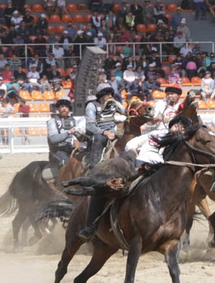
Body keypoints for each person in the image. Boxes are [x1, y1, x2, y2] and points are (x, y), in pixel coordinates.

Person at [77, 114, 192, 242]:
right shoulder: (156, 134)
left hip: (163, 175)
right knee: (108, 186)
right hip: (139, 166)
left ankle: (179, 231)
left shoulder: (183, 146)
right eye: (176, 125)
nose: (178, 129)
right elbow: (132, 142)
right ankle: (91, 226)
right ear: (171, 126)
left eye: (183, 128)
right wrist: (132, 149)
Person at [83, 84, 126, 169]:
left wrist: (116, 103)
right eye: (107, 94)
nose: (110, 96)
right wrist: (105, 133)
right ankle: (94, 167)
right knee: (98, 139)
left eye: (111, 94)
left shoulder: (113, 104)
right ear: (101, 95)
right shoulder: (92, 106)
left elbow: (125, 111)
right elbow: (90, 126)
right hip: (99, 134)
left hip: (113, 133)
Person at [45, 98, 77, 180]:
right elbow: (53, 138)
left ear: (69, 108)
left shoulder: (74, 121)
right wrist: (68, 133)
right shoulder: (52, 121)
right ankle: (61, 183)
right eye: (62, 106)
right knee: (65, 162)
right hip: (57, 150)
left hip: (71, 149)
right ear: (58, 108)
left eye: (66, 106)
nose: (64, 108)